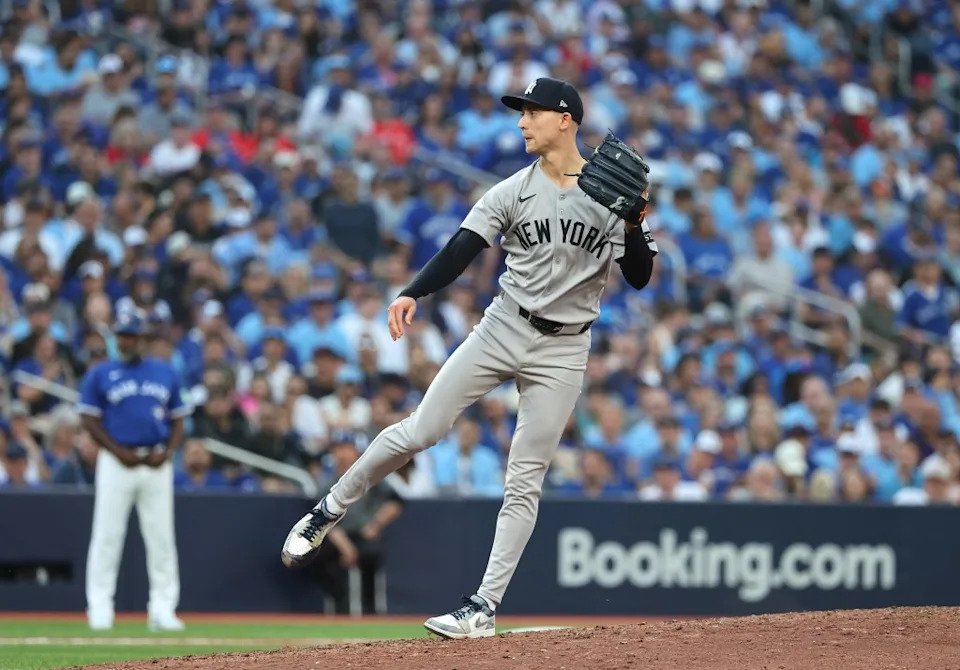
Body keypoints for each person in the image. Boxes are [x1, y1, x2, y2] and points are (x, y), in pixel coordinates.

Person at [281, 77, 657, 638]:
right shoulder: (512, 189)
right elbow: (461, 248)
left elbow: (640, 277)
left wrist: (633, 222)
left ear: (565, 119)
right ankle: (328, 509)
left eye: (532, 112)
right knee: (421, 430)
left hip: (566, 345)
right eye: (521, 112)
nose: (522, 121)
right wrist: (414, 290)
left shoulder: (610, 199)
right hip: (505, 325)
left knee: (524, 481)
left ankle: (482, 606)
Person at [78, 308, 192, 631]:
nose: (128, 341)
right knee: (107, 535)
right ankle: (99, 607)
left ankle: (163, 608)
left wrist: (169, 452)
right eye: (123, 336)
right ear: (116, 339)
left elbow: (179, 417)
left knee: (161, 538)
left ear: (144, 339)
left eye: (133, 335)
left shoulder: (165, 371)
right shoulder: (101, 373)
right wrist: (116, 450)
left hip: (156, 461)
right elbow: (88, 417)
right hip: (116, 461)